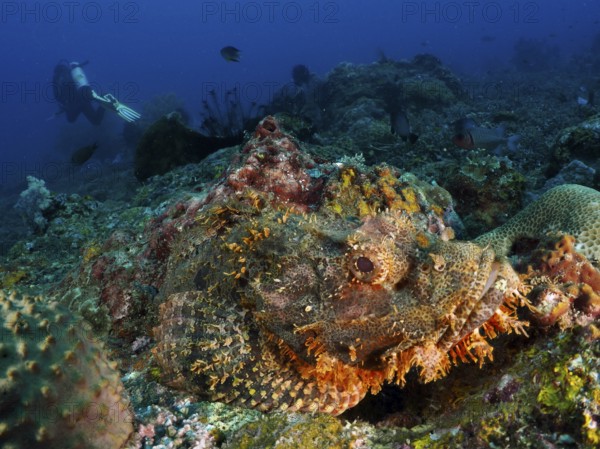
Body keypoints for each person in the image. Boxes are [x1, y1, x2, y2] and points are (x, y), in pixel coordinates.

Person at [52, 60, 141, 124]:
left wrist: (64, 107)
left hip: (77, 102)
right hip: (85, 95)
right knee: (96, 121)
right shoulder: (71, 73)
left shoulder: (57, 79)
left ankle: (100, 99)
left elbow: (59, 97)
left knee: (71, 119)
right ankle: (102, 97)